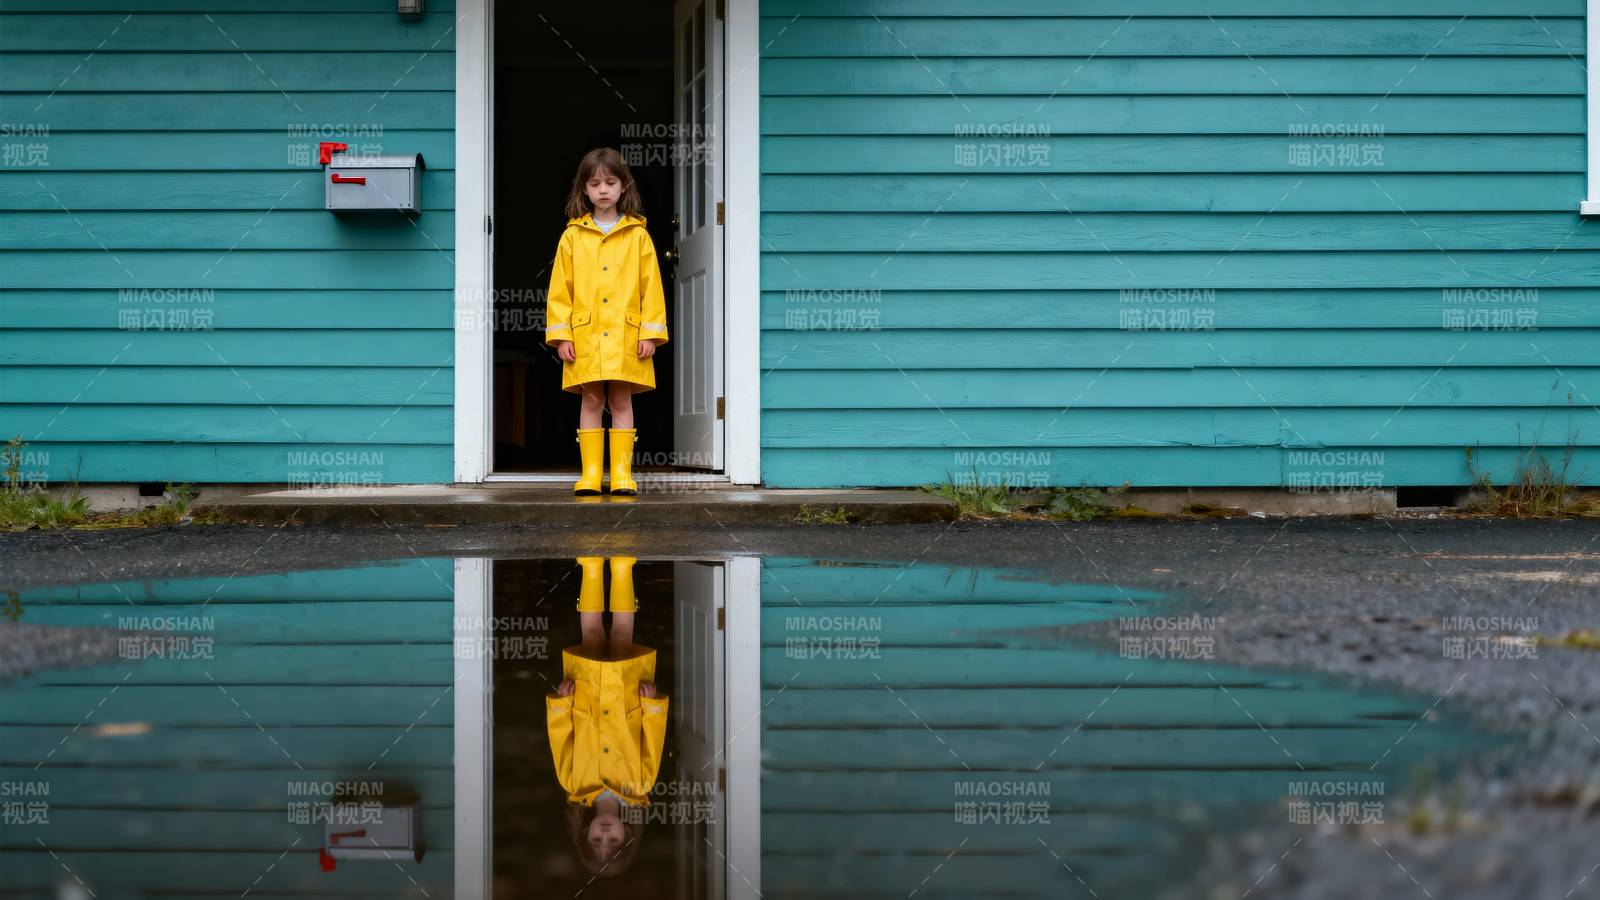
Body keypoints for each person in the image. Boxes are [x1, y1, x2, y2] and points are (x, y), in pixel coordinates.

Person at [544, 148, 670, 495]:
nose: (603, 190)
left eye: (610, 182)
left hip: (626, 336)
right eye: (595, 183)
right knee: (590, 400)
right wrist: (561, 335)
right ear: (583, 189)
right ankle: (590, 474)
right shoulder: (571, 237)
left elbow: (652, 288)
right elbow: (560, 291)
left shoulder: (638, 236)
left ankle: (621, 475)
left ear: (623, 186)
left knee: (621, 401)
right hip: (584, 336)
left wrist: (651, 333)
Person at [546, 556, 669, 876]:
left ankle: (589, 567)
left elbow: (561, 736)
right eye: (611, 839)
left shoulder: (572, 782)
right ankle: (623, 568)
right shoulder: (641, 784)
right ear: (627, 834)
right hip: (627, 699)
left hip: (583, 698)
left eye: (596, 839)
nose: (604, 833)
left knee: (590, 632)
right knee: (622, 635)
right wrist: (652, 704)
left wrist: (562, 703)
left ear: (584, 834)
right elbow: (653, 740)